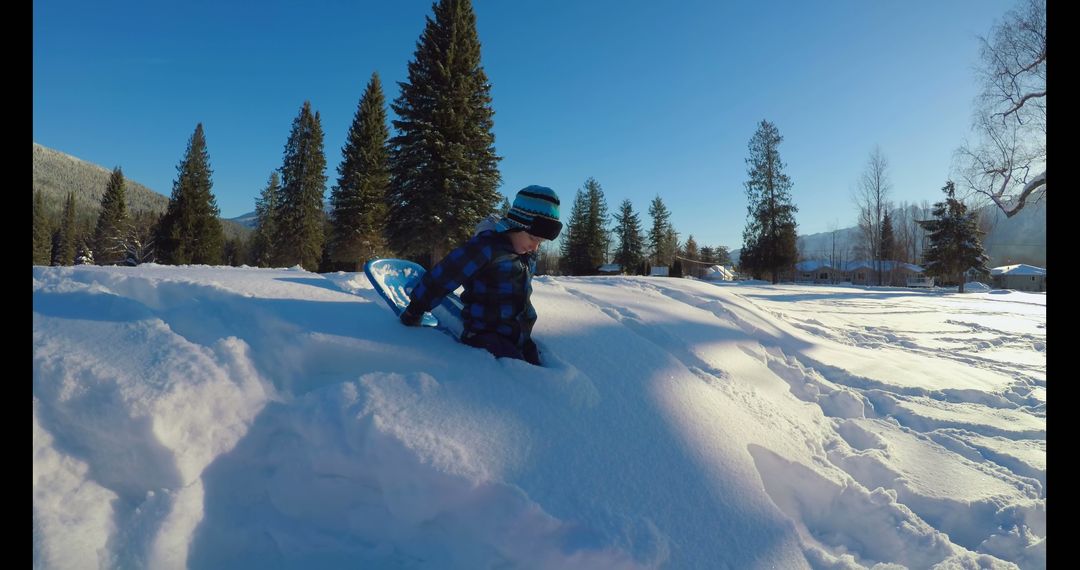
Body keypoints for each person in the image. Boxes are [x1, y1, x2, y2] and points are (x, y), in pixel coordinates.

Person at [399, 185, 562, 366]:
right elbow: (445, 275)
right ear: (517, 224)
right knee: (518, 375)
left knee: (537, 367)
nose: (535, 247)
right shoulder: (486, 248)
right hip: (485, 334)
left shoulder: (525, 253)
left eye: (541, 242)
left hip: (518, 334)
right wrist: (416, 308)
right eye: (533, 238)